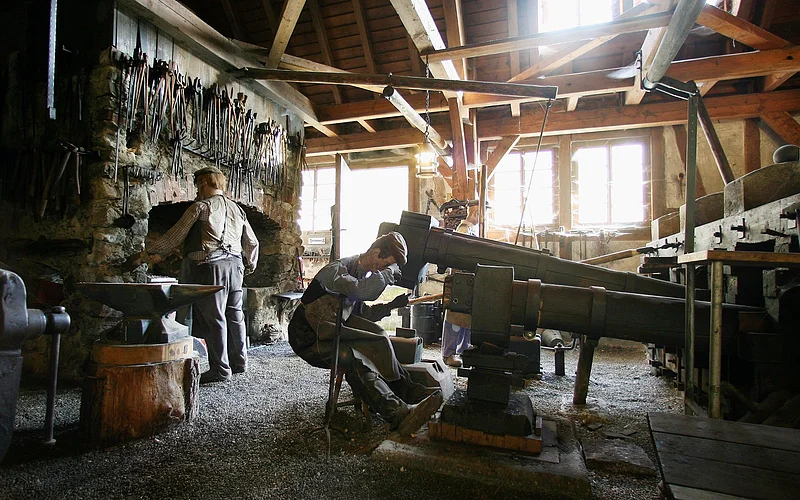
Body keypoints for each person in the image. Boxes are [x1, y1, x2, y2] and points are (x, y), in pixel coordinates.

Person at [289, 232, 443, 436]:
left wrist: (392, 305)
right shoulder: (337, 271)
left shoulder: (361, 274)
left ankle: (407, 390)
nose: (382, 270)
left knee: (379, 337)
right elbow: (361, 292)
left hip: (329, 329)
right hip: (308, 338)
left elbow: (365, 315)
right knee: (354, 358)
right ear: (376, 252)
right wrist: (387, 274)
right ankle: (396, 412)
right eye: (383, 264)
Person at [146, 166, 259, 384]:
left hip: (211, 268)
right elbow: (252, 242)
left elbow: (173, 237)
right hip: (236, 268)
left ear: (205, 183)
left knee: (214, 319)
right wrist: (250, 264)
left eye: (198, 184)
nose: (197, 189)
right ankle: (239, 362)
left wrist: (146, 254)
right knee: (235, 315)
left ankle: (220, 370)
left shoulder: (201, 207)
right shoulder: (238, 209)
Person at [441, 205, 479, 368]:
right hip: (460, 280)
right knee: (455, 319)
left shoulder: (472, 230)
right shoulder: (463, 229)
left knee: (467, 319)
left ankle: (464, 350)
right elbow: (462, 250)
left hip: (470, 279)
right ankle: (449, 353)